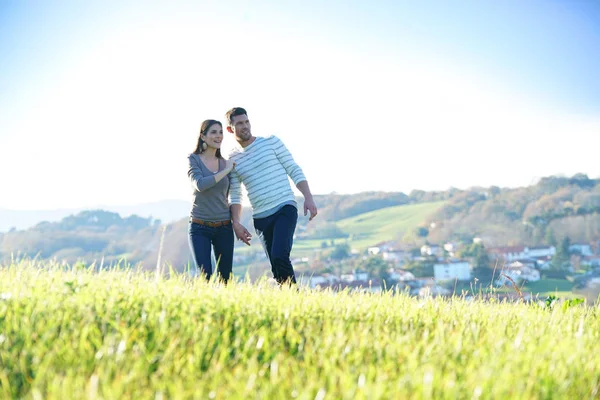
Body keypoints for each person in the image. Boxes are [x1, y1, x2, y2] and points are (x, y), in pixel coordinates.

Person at [225, 107, 318, 285]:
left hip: (284, 207)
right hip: (261, 218)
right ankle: (287, 303)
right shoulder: (233, 159)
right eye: (239, 123)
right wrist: (235, 223)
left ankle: (295, 300)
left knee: (279, 255)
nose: (245, 126)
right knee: (276, 266)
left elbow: (293, 169)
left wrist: (308, 197)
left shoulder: (271, 142)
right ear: (230, 129)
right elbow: (236, 195)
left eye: (246, 121)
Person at [187, 119, 238, 283]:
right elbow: (200, 184)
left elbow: (232, 195)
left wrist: (236, 222)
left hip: (224, 226)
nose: (219, 136)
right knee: (205, 276)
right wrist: (226, 171)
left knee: (225, 279)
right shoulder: (193, 159)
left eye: (221, 132)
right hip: (199, 226)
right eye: (214, 132)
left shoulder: (226, 163)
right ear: (203, 136)